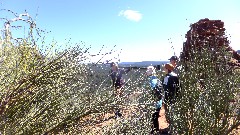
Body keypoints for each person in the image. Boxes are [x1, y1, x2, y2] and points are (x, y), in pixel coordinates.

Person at [162, 63, 180, 132]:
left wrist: (165, 100)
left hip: (168, 99)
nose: (164, 70)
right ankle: (174, 128)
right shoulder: (176, 76)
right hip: (175, 98)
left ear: (167, 69)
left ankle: (170, 129)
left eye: (165, 68)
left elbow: (165, 89)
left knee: (169, 114)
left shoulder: (167, 77)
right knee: (174, 114)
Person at [146, 66, 163, 134]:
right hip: (159, 102)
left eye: (148, 70)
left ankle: (154, 132)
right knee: (155, 119)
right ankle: (156, 131)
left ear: (151, 72)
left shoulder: (151, 81)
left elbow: (149, 92)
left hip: (153, 103)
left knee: (153, 119)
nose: (146, 71)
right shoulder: (157, 79)